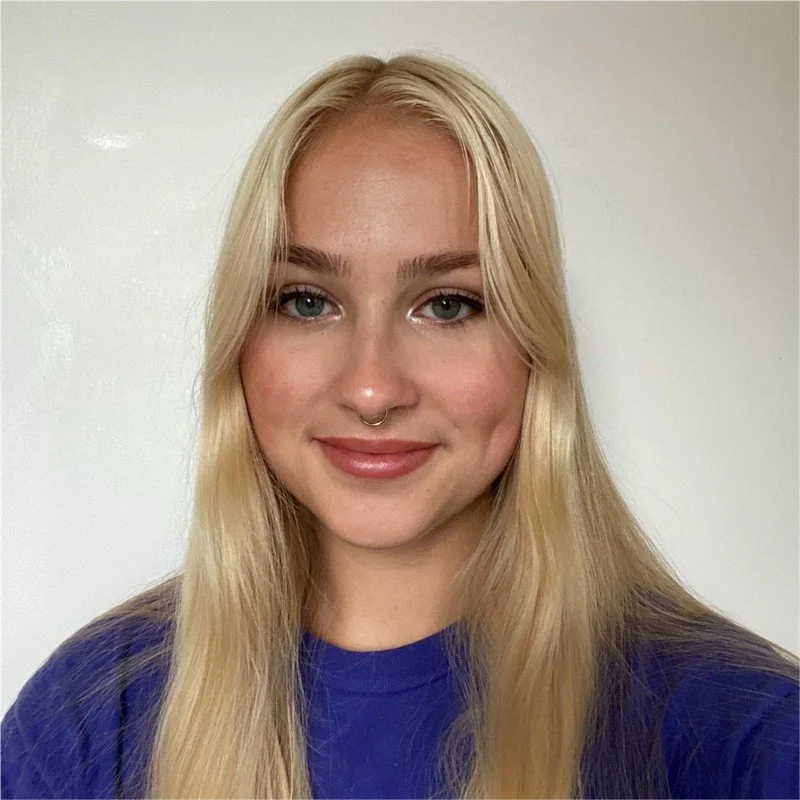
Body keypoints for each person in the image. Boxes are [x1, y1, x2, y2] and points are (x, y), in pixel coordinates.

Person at [2, 52, 797, 800]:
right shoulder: (90, 717)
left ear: (536, 345)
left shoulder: (742, 738)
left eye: (449, 304)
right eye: (306, 302)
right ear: (240, 342)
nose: (373, 388)